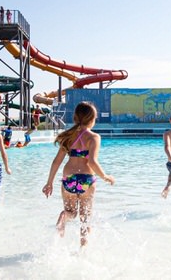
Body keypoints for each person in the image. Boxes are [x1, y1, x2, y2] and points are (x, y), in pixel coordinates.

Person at [42, 102, 115, 247]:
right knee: (85, 218)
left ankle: (64, 217)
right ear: (93, 119)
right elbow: (92, 162)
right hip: (86, 180)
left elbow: (56, 161)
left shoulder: (68, 136)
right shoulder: (94, 137)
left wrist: (49, 182)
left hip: (68, 179)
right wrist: (105, 176)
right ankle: (83, 250)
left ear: (75, 117)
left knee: (71, 212)